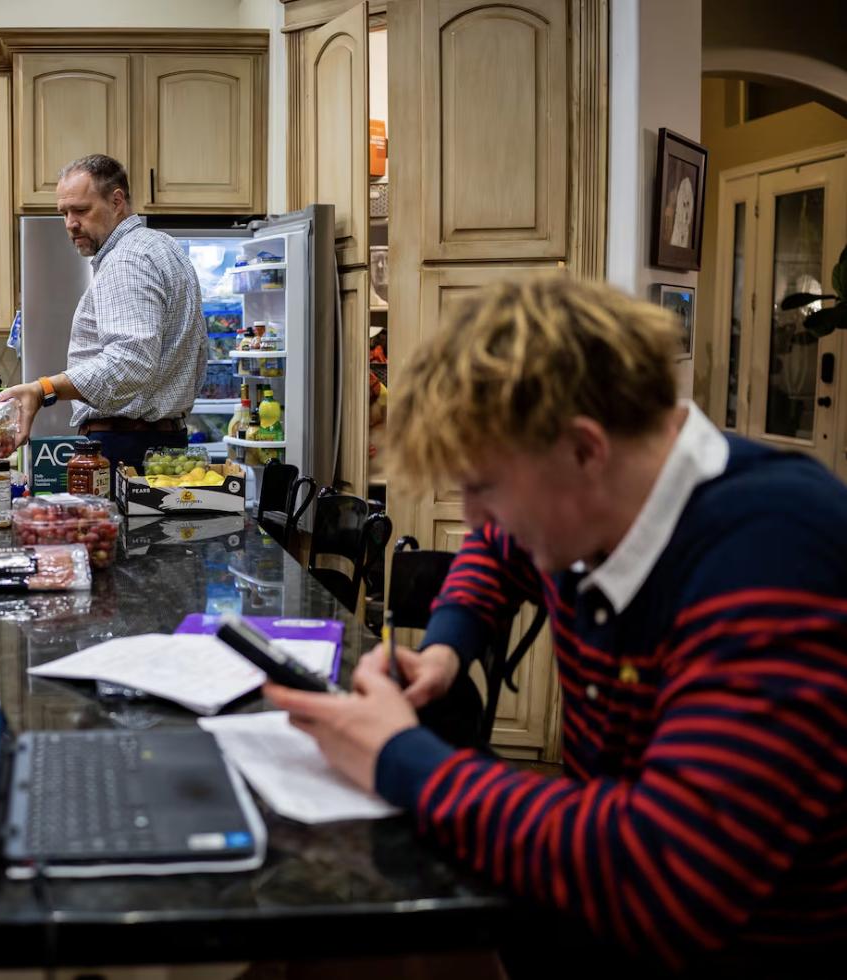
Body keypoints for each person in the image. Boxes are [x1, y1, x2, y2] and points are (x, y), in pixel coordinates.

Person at [263, 276, 847, 975]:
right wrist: (447, 651)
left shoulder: (773, 556)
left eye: (483, 485)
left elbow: (668, 873)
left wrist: (398, 757)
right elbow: (493, 553)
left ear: (583, 449)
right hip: (595, 911)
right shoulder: (599, 498)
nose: (473, 517)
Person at [0, 154, 206, 472]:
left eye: (81, 210)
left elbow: (130, 363)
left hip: (128, 446)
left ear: (117, 201)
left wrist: (44, 389)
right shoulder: (164, 247)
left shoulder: (126, 260)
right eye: (64, 213)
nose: (70, 223)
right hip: (166, 443)